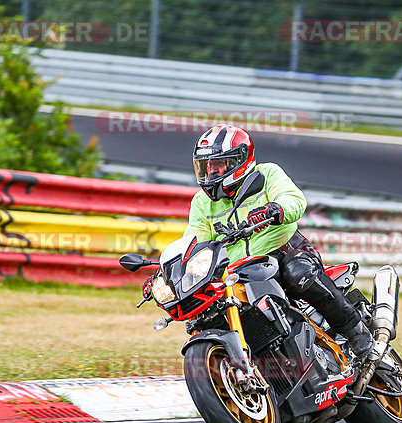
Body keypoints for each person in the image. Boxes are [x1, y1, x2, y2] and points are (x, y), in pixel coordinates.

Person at [159, 123, 373, 361]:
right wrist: (177, 265)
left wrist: (276, 209)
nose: (210, 173)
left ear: (238, 162)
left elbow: (294, 199)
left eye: (218, 165)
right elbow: (195, 239)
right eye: (205, 167)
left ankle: (356, 332)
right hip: (241, 271)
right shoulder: (201, 202)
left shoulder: (267, 174)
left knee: (297, 273)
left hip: (285, 252)